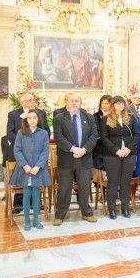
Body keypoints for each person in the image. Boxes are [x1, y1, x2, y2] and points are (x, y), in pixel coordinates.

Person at [53, 93, 98, 225]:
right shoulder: (59, 118)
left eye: (77, 101)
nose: (74, 103)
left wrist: (83, 150)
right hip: (67, 158)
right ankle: (60, 215)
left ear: (80, 103)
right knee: (64, 188)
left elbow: (94, 136)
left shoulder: (88, 117)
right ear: (66, 102)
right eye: (71, 101)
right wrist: (74, 149)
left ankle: (87, 213)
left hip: (84, 158)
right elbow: (58, 137)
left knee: (85, 187)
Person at [6, 92, 50, 213]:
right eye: (28, 100)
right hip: (21, 153)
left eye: (32, 100)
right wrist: (25, 144)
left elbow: (46, 130)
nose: (31, 102)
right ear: (22, 102)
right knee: (22, 179)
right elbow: (10, 134)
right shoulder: (13, 114)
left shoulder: (40, 113)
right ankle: (18, 204)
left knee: (36, 177)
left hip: (37, 153)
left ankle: (36, 204)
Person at [100, 96, 140, 219]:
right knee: (113, 182)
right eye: (117, 103)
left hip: (129, 154)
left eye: (122, 103)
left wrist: (128, 149)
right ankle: (112, 208)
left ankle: (125, 207)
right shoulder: (106, 118)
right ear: (113, 105)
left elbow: (137, 135)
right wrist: (116, 150)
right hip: (112, 155)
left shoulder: (131, 117)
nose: (120, 105)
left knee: (125, 182)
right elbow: (104, 138)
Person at [11, 110, 50, 231]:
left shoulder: (43, 133)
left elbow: (45, 151)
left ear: (38, 119)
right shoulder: (20, 133)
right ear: (26, 120)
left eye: (34, 118)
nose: (32, 120)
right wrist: (25, 165)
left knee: (36, 194)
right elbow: (17, 150)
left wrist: (38, 166)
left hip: (38, 169)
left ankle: (37, 220)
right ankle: (27, 220)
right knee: (27, 193)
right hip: (25, 169)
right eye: (30, 118)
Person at [92, 95, 112, 170]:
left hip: (113, 145)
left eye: (106, 103)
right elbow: (97, 131)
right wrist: (104, 117)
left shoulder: (115, 115)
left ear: (111, 104)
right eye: (102, 103)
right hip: (100, 146)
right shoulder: (95, 116)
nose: (104, 105)